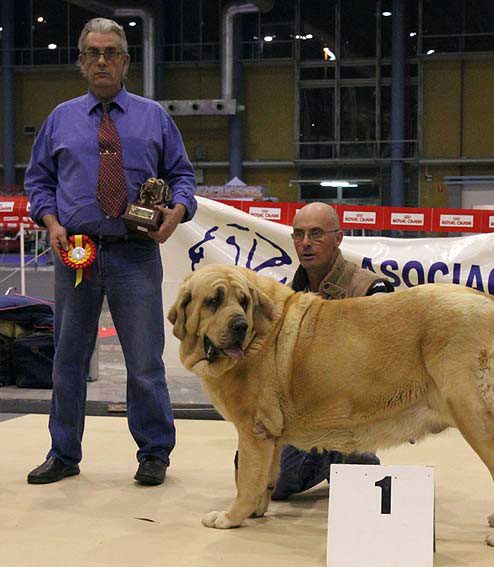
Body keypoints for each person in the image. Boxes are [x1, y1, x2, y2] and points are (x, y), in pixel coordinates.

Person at [24, 18, 197, 486]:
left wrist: (177, 212)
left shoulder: (154, 117)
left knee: (144, 360)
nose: (102, 60)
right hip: (75, 253)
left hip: (135, 255)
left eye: (112, 52)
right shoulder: (59, 119)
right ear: (81, 62)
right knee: (68, 359)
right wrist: (53, 224)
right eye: (93, 53)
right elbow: (37, 183)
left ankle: (155, 453)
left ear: (125, 61)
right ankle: (63, 453)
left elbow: (182, 177)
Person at [235, 202, 394, 500]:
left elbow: (384, 368)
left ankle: (352, 456)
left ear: (339, 238)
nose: (306, 243)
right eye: (299, 234)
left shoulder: (372, 291)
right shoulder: (283, 297)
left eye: (316, 234)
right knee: (261, 480)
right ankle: (333, 459)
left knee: (358, 487)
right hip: (301, 415)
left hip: (355, 412)